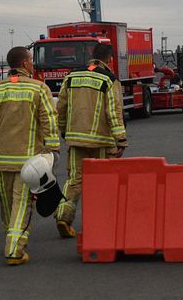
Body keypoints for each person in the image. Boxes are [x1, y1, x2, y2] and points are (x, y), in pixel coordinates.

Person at [0, 47, 59, 265]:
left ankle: (12, 237)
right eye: (31, 61)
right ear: (26, 63)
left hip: (1, 161)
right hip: (30, 162)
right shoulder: (39, 89)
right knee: (22, 205)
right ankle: (14, 249)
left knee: (8, 206)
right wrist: (53, 149)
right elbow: (49, 120)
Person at [55, 43, 127, 238]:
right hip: (102, 141)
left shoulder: (71, 77)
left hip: (76, 139)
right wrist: (120, 139)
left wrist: (63, 130)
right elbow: (114, 112)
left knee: (74, 180)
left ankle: (63, 215)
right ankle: (101, 220)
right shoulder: (109, 79)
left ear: (92, 55)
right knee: (103, 181)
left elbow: (61, 106)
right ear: (109, 59)